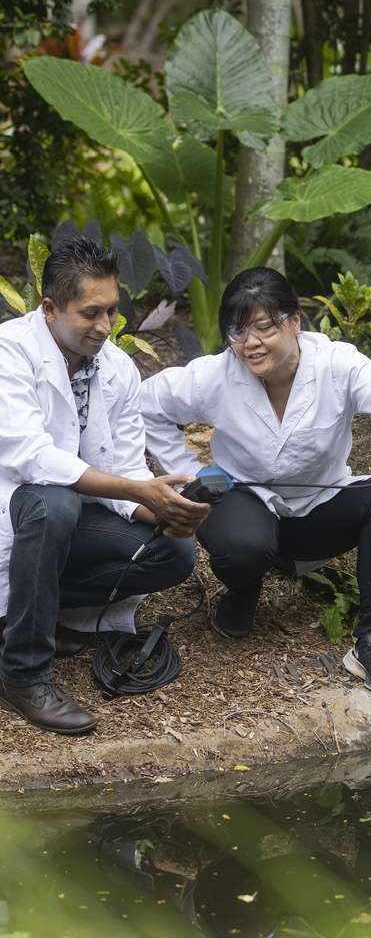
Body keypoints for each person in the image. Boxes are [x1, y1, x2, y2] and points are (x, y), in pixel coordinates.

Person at [140, 267, 371, 698]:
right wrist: (190, 471)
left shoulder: (339, 365)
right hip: (242, 502)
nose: (251, 343)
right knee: (244, 546)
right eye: (238, 330)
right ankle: (243, 590)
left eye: (265, 327)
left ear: (295, 322)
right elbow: (149, 405)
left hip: (317, 508)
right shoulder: (215, 375)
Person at [0, 237, 211, 735]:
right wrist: (137, 491)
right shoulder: (10, 354)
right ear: (49, 308)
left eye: (111, 311)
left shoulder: (116, 368)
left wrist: (163, 507)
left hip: (64, 521)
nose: (104, 326)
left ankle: (40, 615)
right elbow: (32, 458)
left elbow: (126, 467)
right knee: (53, 503)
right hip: (18, 512)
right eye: (90, 313)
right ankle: (23, 673)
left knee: (173, 553)